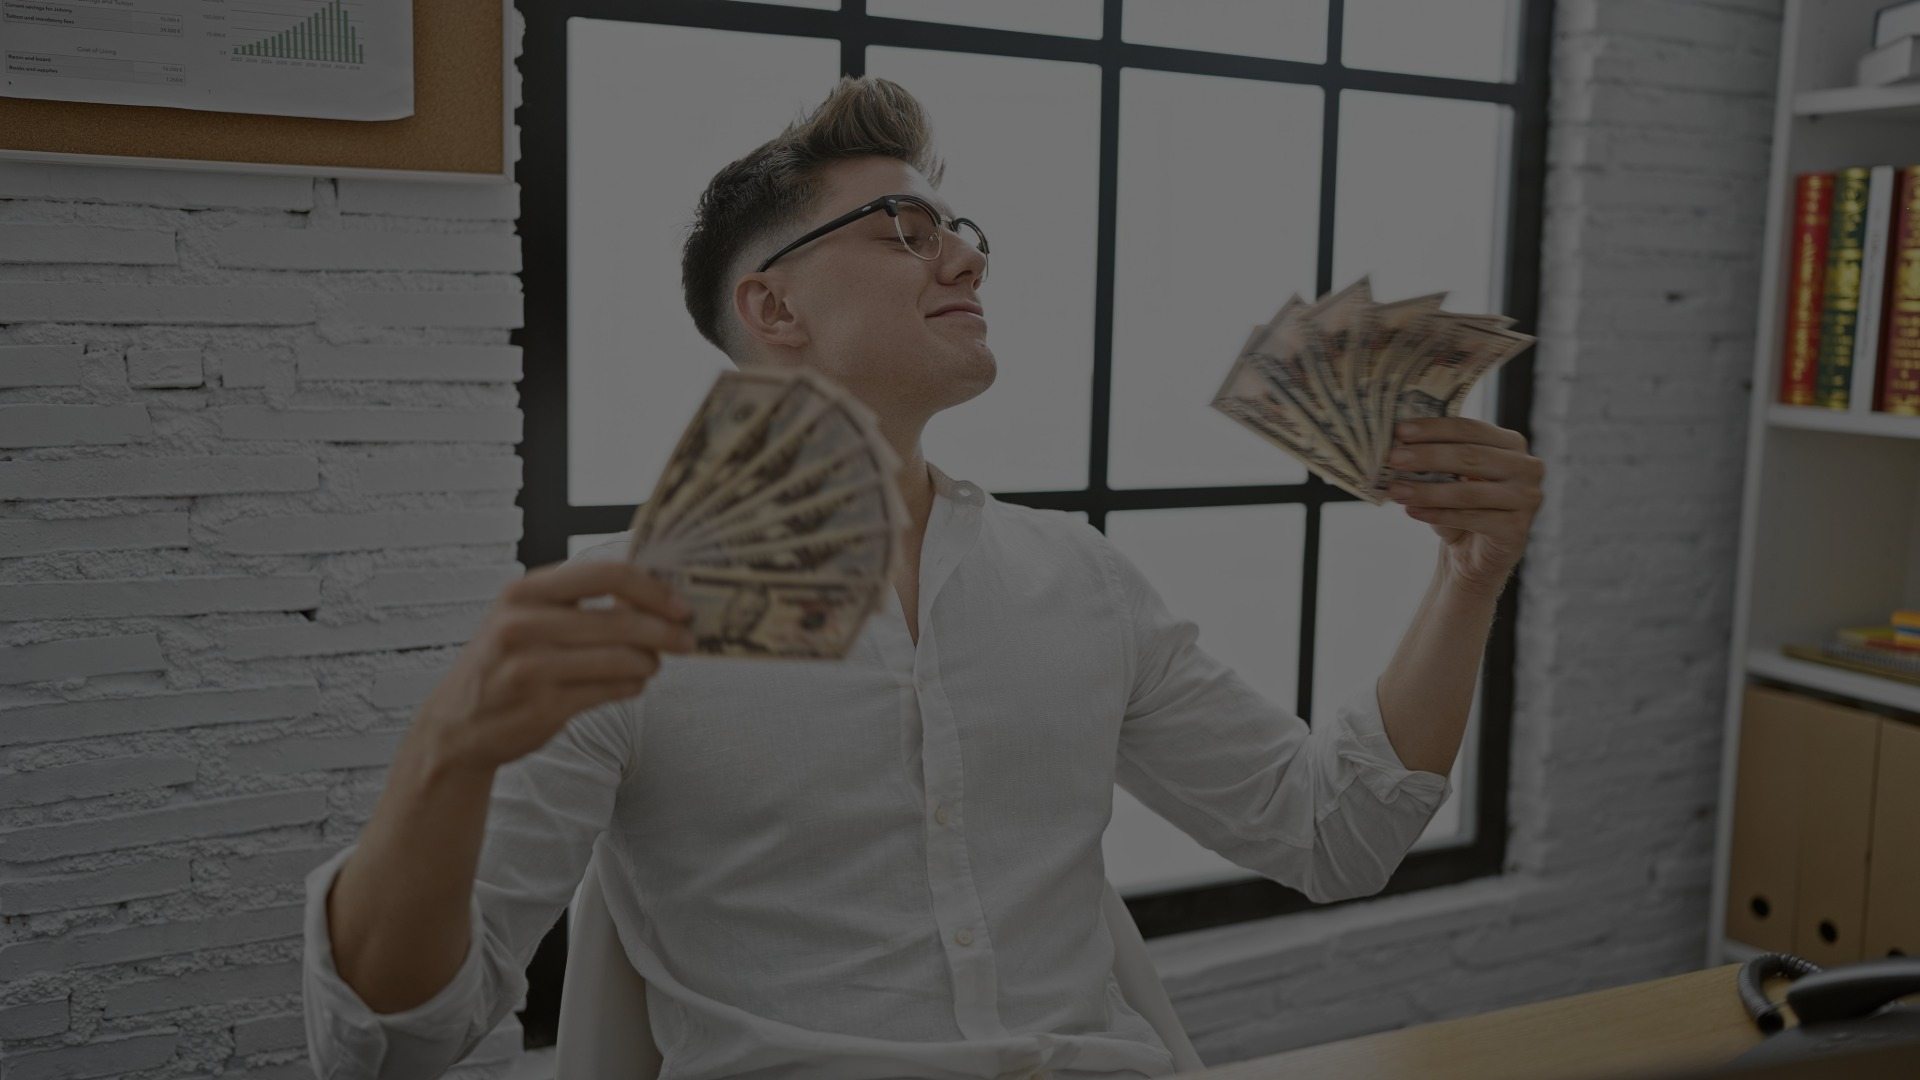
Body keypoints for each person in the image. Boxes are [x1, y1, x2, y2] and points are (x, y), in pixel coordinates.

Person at [302, 76, 1545, 1080]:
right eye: (905, 229)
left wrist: (1470, 575)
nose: (963, 260)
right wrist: (446, 757)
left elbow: (1334, 836)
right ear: (771, 306)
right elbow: (400, 1040)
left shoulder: (1079, 581)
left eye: (961, 231)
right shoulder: (617, 621)